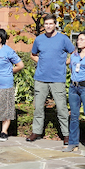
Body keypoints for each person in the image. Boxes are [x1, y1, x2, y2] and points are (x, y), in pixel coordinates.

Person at [28, 14, 74, 145]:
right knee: (38, 108)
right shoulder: (39, 39)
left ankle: (66, 134)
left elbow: (75, 54)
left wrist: (63, 63)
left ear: (55, 25)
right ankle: (36, 132)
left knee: (61, 108)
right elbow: (33, 55)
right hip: (40, 78)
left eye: (50, 24)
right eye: (46, 24)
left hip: (57, 79)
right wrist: (41, 62)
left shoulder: (63, 39)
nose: (48, 26)